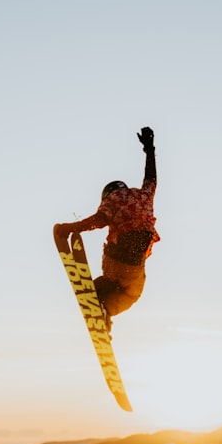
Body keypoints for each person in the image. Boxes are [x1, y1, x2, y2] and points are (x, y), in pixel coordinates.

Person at [55, 127, 159, 330]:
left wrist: (70, 228)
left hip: (117, 257)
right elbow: (151, 178)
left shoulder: (113, 199)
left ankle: (99, 301)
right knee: (130, 295)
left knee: (99, 289)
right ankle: (105, 313)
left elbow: (98, 220)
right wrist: (150, 149)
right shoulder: (144, 194)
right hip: (136, 268)